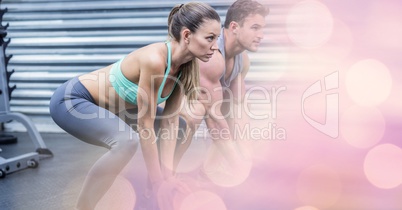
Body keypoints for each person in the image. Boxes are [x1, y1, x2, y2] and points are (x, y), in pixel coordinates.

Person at [49, 2, 221, 210]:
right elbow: (146, 127)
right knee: (126, 142)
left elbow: (169, 124)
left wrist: (167, 177)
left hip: (115, 110)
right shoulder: (154, 60)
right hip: (73, 100)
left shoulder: (185, 67)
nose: (216, 46)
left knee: (181, 129)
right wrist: (160, 181)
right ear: (187, 35)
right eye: (210, 38)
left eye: (217, 38)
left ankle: (159, 193)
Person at [175, 0, 269, 177]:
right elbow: (214, 119)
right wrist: (240, 166)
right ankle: (165, 174)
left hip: (208, 102)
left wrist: (247, 156)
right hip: (166, 104)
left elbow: (238, 109)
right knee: (197, 112)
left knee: (235, 111)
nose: (261, 35)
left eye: (263, 28)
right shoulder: (211, 57)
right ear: (234, 27)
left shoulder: (242, 60)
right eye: (255, 27)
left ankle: (210, 172)